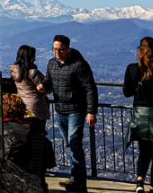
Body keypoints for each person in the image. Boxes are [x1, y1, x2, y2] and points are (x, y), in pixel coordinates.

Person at [40, 34, 97, 193]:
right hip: (60, 110)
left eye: (60, 49)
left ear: (68, 49)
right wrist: (43, 87)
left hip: (76, 111)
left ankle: (80, 185)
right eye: (54, 49)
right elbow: (48, 82)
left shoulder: (79, 65)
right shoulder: (52, 64)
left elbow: (90, 88)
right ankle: (75, 179)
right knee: (70, 145)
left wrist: (91, 112)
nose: (57, 52)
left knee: (74, 144)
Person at [123, 36, 153, 193]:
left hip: (140, 116)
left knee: (144, 152)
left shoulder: (131, 69)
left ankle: (139, 183)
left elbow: (127, 92)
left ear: (139, 51)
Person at [10, 45, 49, 120]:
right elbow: (41, 88)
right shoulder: (33, 72)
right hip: (36, 107)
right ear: (30, 58)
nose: (35, 59)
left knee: (26, 128)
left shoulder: (14, 72)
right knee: (38, 129)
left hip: (21, 104)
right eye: (33, 56)